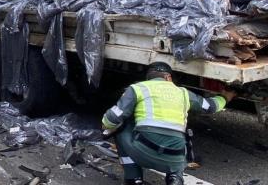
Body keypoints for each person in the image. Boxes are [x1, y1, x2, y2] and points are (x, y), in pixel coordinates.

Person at [101, 62, 236, 185]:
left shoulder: (138, 88)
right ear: (168, 78)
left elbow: (112, 118)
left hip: (143, 154)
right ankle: (175, 179)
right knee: (182, 132)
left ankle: (134, 179)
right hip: (175, 160)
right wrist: (225, 97)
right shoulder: (183, 93)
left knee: (121, 128)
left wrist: (107, 127)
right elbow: (210, 106)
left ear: (149, 78)